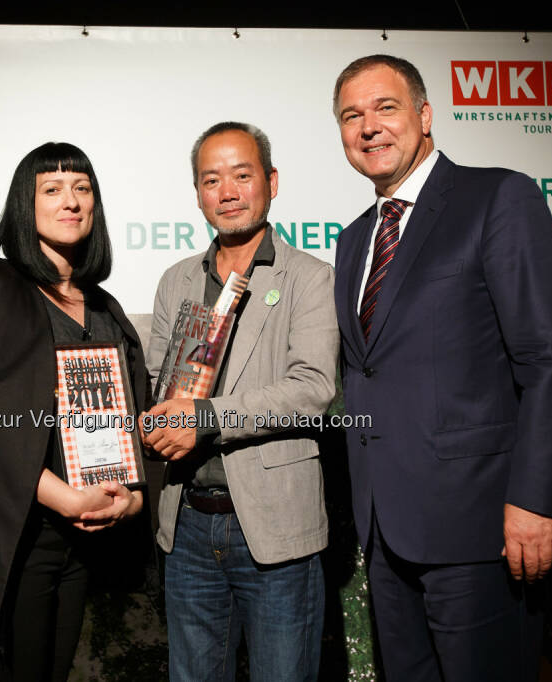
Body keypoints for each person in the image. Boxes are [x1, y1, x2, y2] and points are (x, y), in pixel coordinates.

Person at [332, 54, 552, 681]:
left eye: (385, 108)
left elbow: (550, 359)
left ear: (424, 114)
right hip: (386, 532)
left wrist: (537, 499)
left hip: (483, 529)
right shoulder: (353, 239)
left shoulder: (497, 196)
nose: (368, 127)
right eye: (351, 116)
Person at [0, 142, 148, 682]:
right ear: (23, 207)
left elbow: (132, 413)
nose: (70, 201)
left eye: (81, 188)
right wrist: (63, 495)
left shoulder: (104, 306)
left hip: (84, 539)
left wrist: (132, 497)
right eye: (51, 189)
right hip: (15, 535)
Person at [143, 122, 338, 681]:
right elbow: (162, 383)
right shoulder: (176, 280)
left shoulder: (308, 278)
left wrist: (204, 419)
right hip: (187, 527)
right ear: (198, 193)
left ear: (271, 182)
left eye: (242, 175)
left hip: (274, 526)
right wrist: (152, 425)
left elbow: (312, 389)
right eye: (211, 179)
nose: (227, 191)